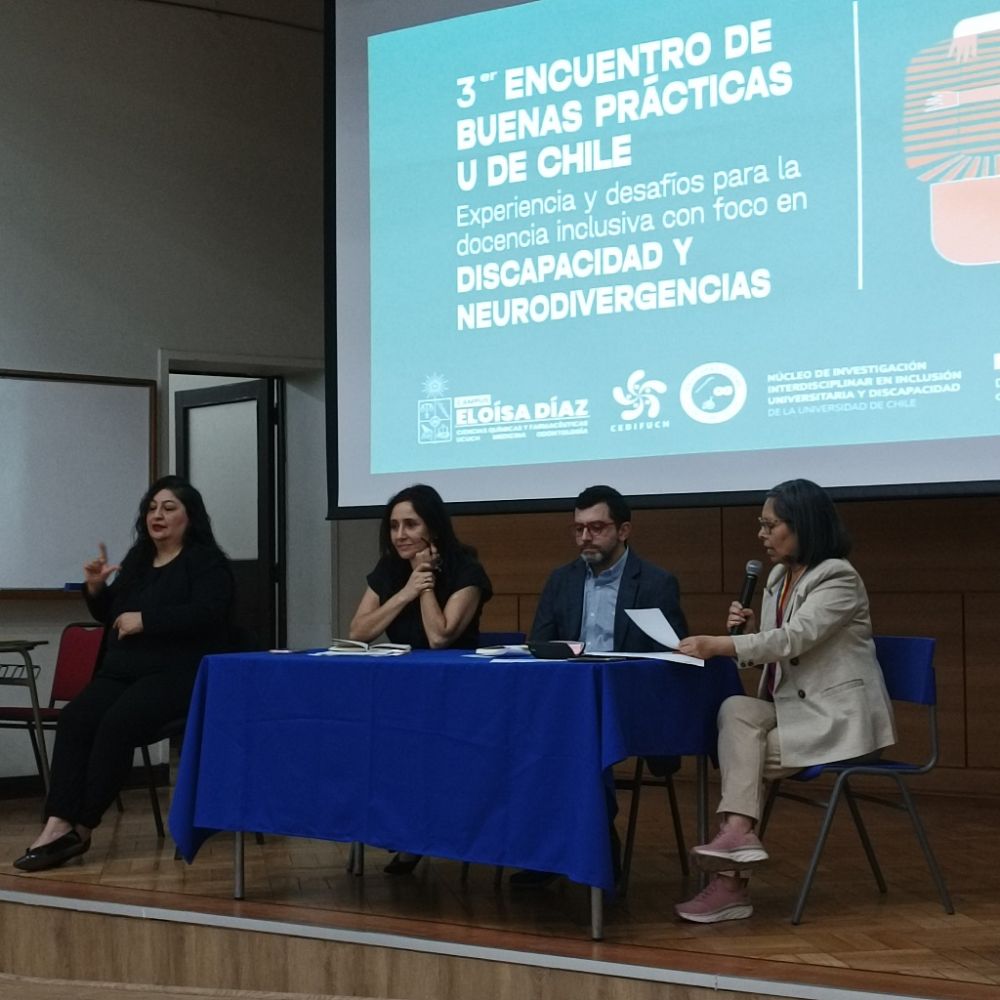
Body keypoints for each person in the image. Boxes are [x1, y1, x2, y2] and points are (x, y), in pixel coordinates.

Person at [673, 479, 895, 923]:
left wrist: (724, 644)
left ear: (803, 526)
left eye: (770, 525)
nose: (761, 534)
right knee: (734, 709)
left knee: (745, 758)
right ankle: (737, 838)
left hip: (837, 717)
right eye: (761, 524)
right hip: (793, 708)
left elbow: (794, 637)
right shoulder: (778, 576)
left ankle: (729, 881)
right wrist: (751, 629)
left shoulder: (838, 576)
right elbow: (777, 652)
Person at [14, 475, 234, 872]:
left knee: (117, 725)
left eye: (169, 508)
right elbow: (113, 617)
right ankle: (57, 822)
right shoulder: (138, 560)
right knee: (76, 719)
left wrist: (147, 620)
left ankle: (81, 827)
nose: (157, 515)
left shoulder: (206, 562)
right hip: (122, 671)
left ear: (190, 516)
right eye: (151, 507)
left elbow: (209, 615)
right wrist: (97, 589)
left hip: (175, 674)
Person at [512, 484, 689, 888]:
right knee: (546, 737)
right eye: (578, 529)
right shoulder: (561, 580)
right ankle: (575, 850)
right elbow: (537, 646)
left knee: (584, 738)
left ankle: (578, 854)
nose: (585, 538)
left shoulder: (656, 583)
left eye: (596, 528)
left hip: (631, 708)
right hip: (569, 703)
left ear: (623, 530)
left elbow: (674, 659)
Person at [349, 483, 492, 874]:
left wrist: (424, 582)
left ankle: (438, 836)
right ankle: (410, 838)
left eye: (410, 525)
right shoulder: (390, 569)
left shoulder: (467, 569)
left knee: (426, 753)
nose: (400, 535)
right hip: (404, 691)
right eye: (394, 526)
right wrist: (405, 591)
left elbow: (440, 636)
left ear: (434, 528)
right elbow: (358, 632)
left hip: (458, 693)